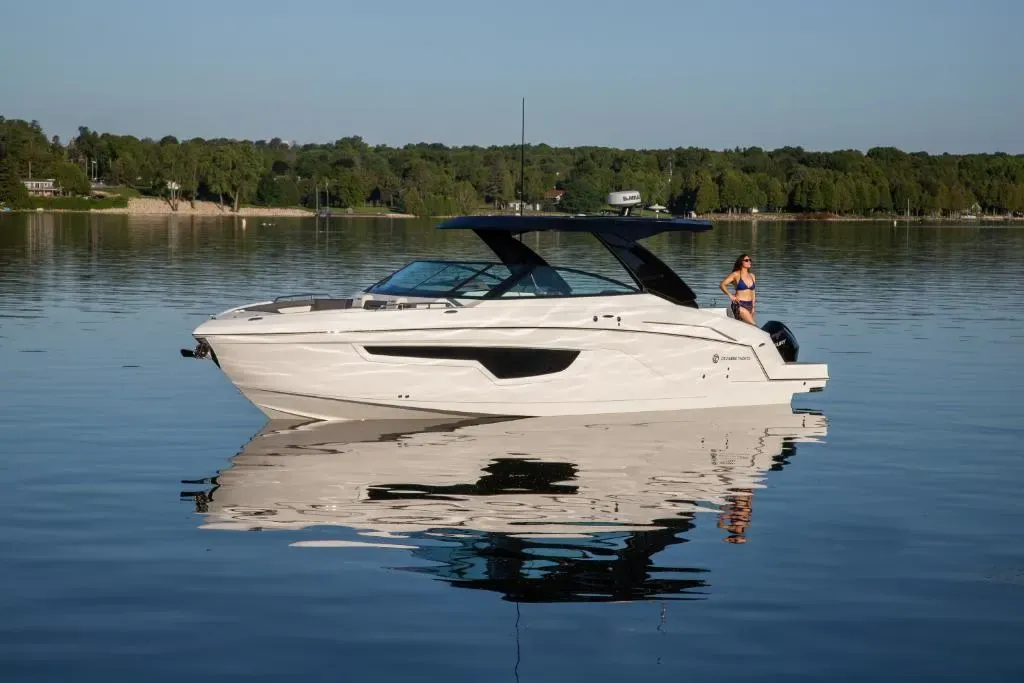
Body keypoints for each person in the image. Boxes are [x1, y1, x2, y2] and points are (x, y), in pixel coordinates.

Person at [719, 253, 756, 324]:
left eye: (750, 260)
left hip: (750, 305)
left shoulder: (752, 276)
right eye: (746, 260)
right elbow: (722, 285)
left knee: (746, 327)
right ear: (741, 262)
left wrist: (753, 307)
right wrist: (731, 296)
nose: (749, 262)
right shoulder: (735, 274)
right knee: (753, 325)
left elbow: (753, 292)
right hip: (739, 305)